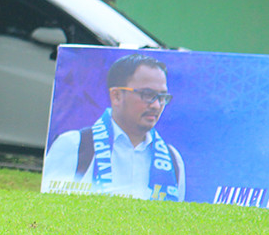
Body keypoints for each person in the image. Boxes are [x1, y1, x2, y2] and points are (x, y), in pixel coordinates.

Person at [41, 53, 185, 201]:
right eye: (147, 94)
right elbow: (51, 209)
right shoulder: (73, 145)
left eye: (162, 97)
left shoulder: (172, 160)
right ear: (116, 96)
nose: (156, 105)